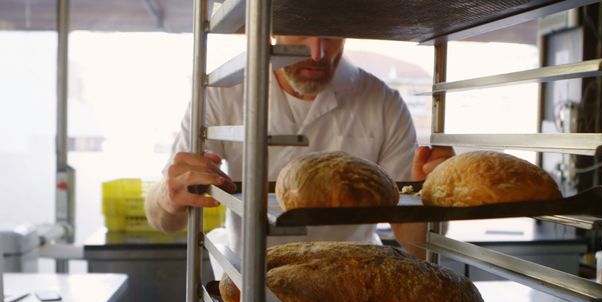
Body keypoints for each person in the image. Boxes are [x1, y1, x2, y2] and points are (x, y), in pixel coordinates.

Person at [144, 35, 453, 259]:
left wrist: (432, 198)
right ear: (273, 23)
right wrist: (169, 196)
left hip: (354, 286)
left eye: (330, 33)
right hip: (253, 286)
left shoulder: (383, 103)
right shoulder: (224, 94)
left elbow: (417, 246)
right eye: (302, 30)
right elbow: (162, 221)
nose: (318, 52)